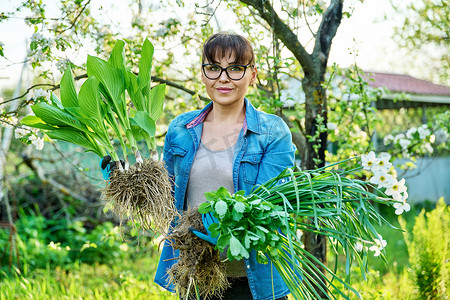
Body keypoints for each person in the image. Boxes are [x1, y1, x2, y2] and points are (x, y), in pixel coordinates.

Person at [153, 32, 296, 300]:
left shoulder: (272, 132)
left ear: (252, 74)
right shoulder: (180, 129)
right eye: (214, 68)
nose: (223, 77)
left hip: (255, 280)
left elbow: (270, 203)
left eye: (235, 69)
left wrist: (223, 224)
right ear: (203, 74)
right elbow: (165, 197)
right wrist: (129, 180)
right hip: (196, 275)